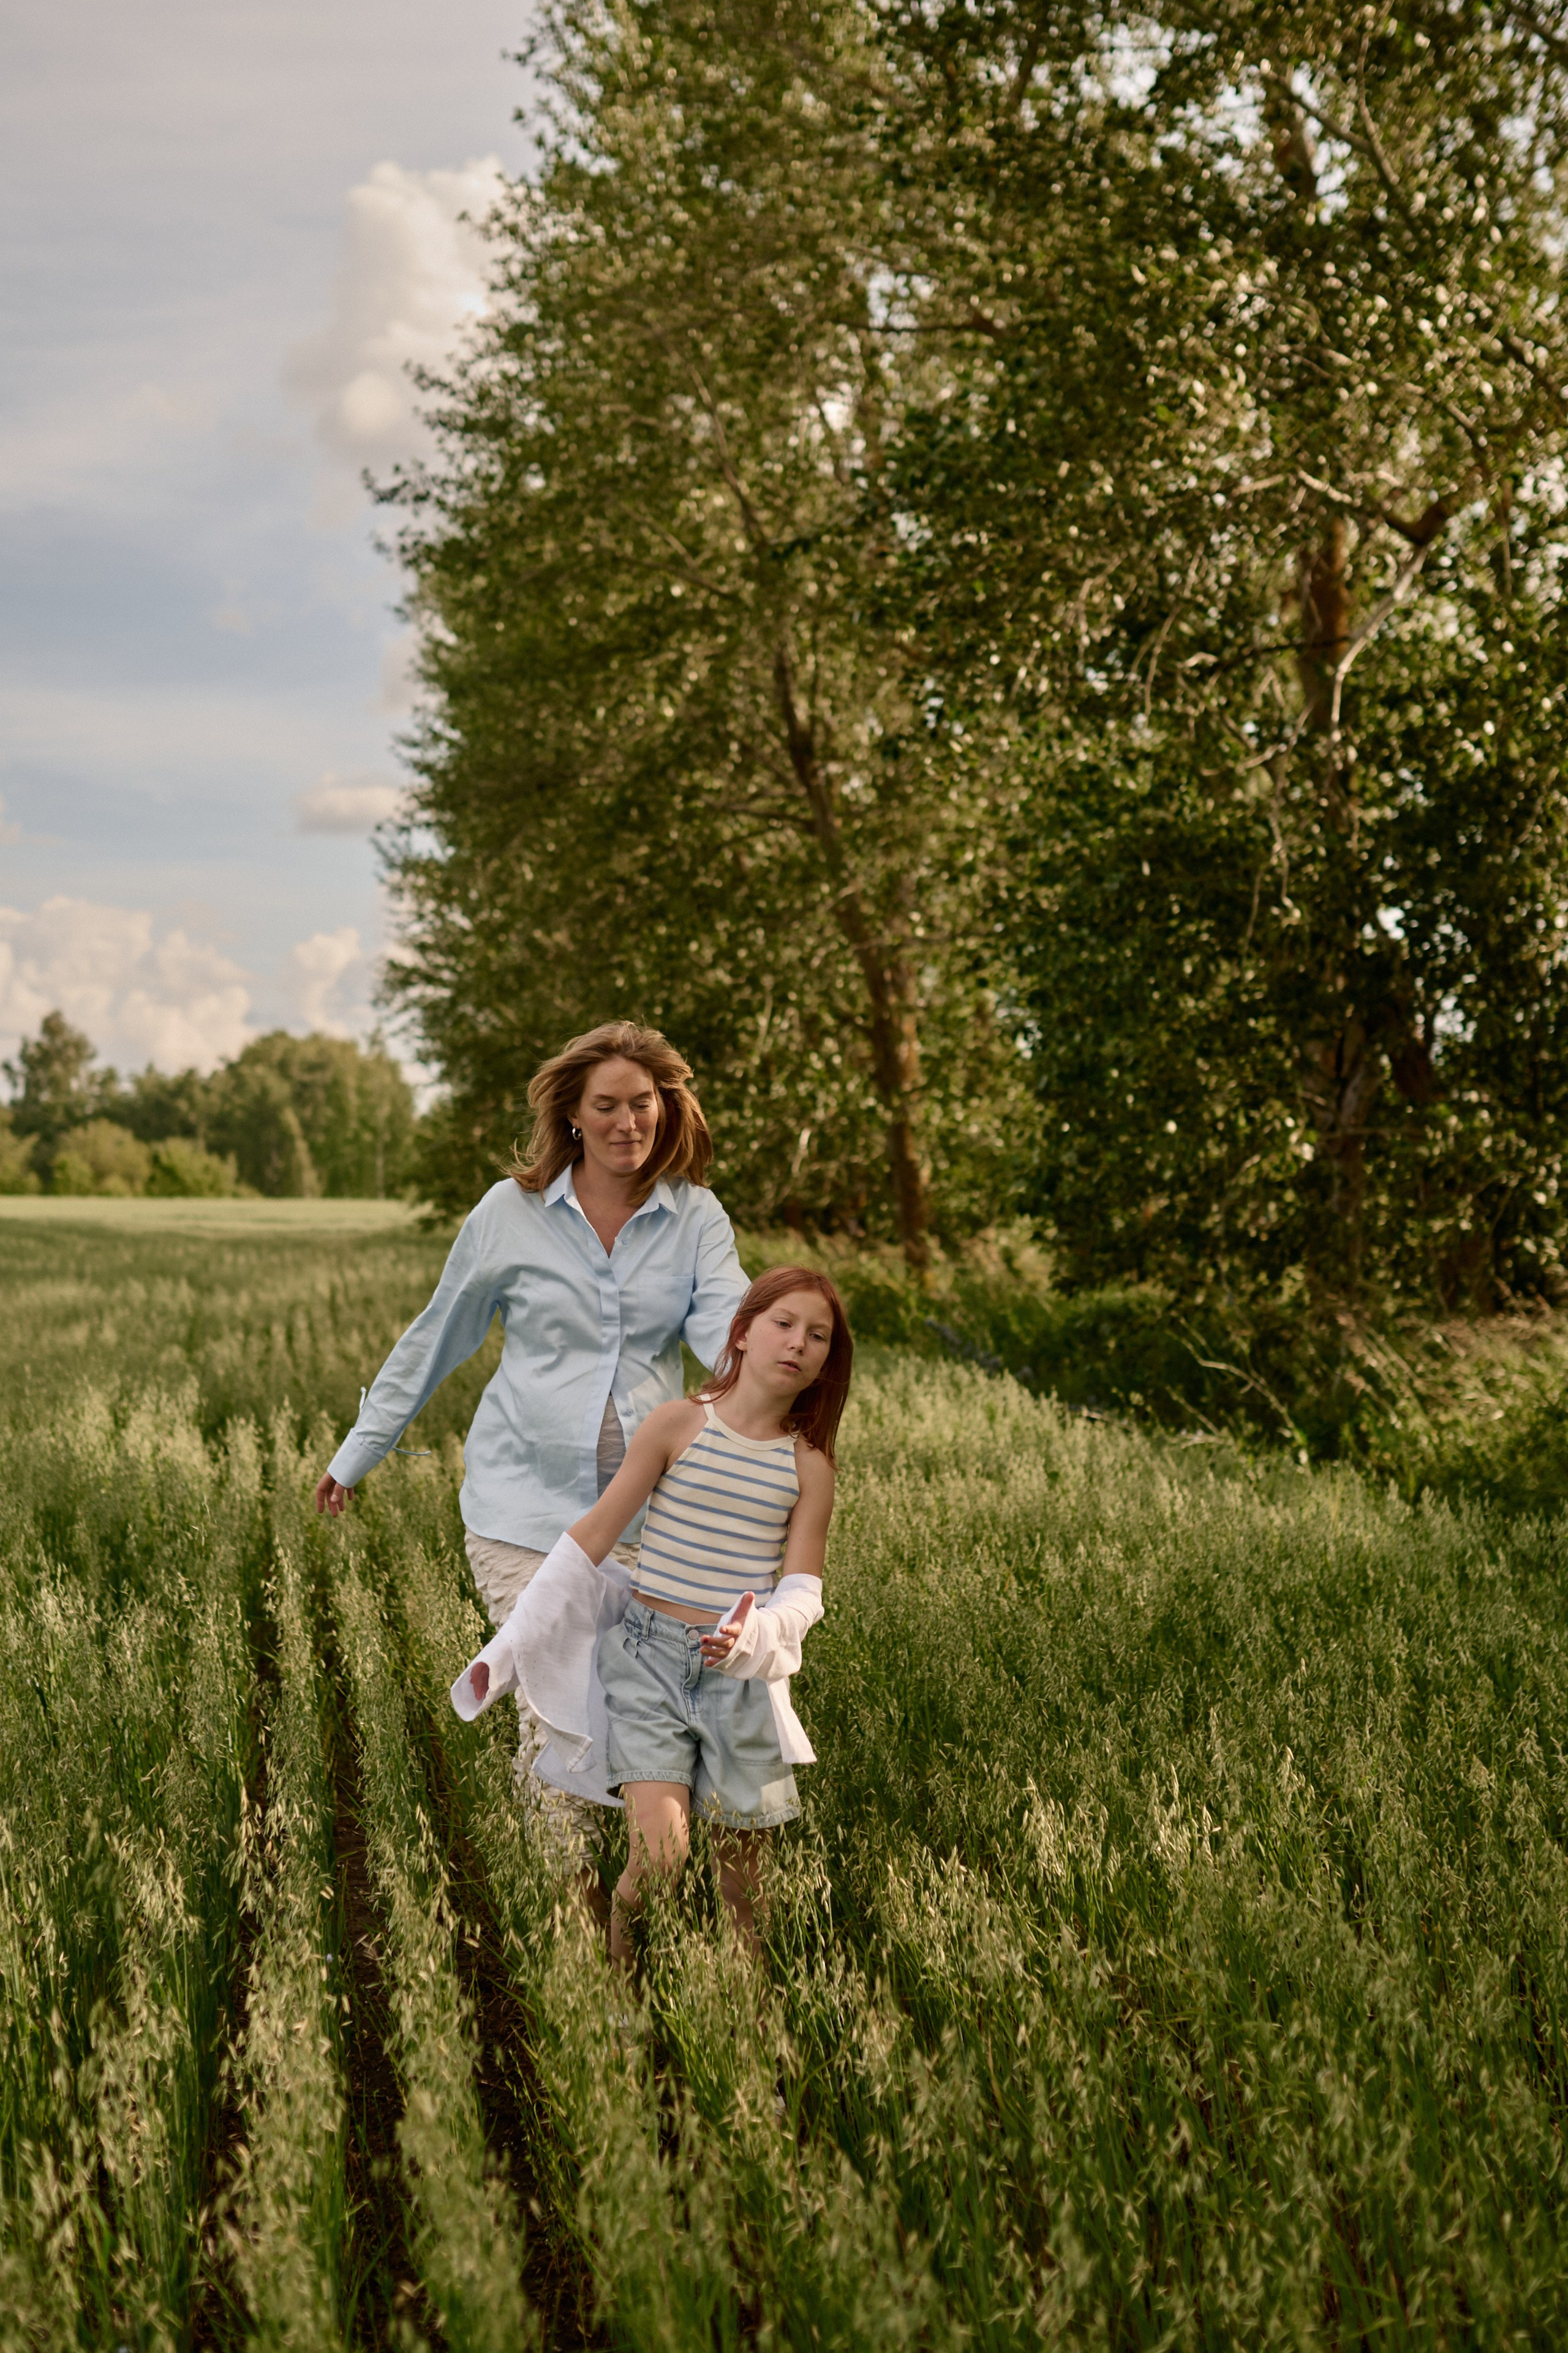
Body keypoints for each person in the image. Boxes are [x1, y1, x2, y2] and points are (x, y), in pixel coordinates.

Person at [315, 1020, 748, 1918]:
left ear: (667, 1109)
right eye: (609, 1106)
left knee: (640, 1705)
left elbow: (725, 1331)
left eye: (645, 1103)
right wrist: (360, 1450)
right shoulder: (509, 1211)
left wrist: (775, 1385)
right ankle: (570, 1914)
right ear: (573, 1115)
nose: (630, 1121)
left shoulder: (695, 1214)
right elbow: (439, 1335)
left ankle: (644, 1894)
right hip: (522, 1510)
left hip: (647, 1516)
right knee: (555, 1705)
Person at [453, 1267, 852, 1965]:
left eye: (817, 1335)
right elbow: (593, 1535)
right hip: (648, 1660)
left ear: (826, 1360)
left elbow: (803, 1589)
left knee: (744, 1885)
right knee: (661, 1855)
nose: (797, 1343)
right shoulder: (678, 1423)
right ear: (742, 1331)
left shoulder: (808, 1464)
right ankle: (618, 1998)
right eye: (783, 1323)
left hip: (741, 1675)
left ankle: (743, 2019)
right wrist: (514, 1641)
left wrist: (756, 1635)